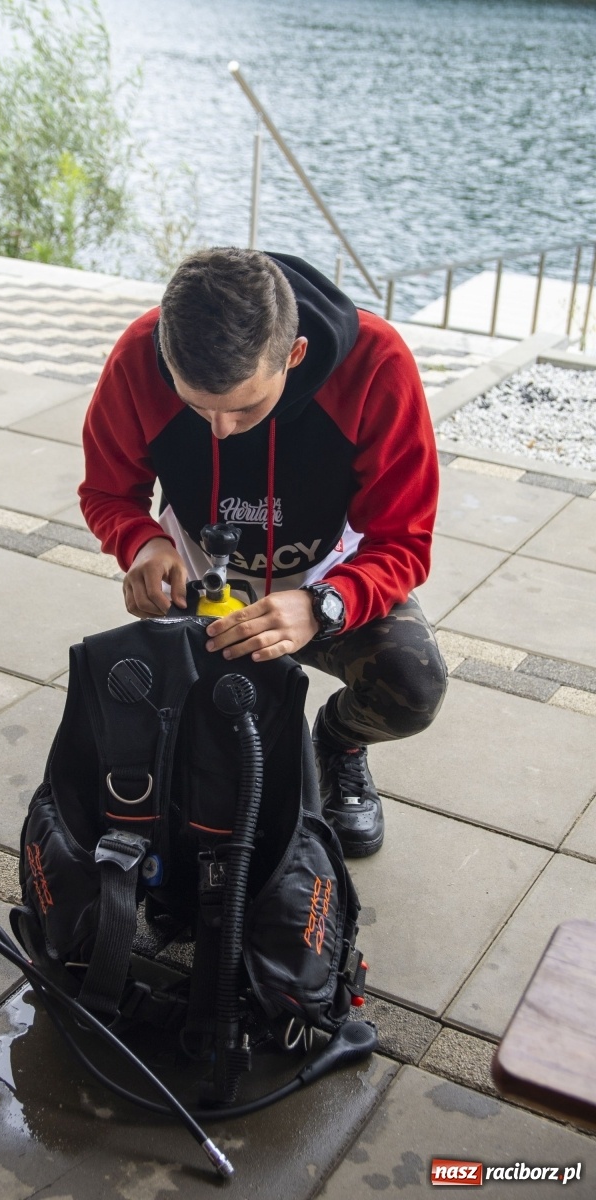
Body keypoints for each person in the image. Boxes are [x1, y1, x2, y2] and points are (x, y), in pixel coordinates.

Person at [79, 248, 447, 857]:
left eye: (246, 406)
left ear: (294, 355)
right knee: (182, 771)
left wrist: (323, 605)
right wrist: (141, 542)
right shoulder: (139, 353)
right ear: (165, 353)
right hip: (203, 595)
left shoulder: (376, 364)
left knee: (413, 686)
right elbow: (106, 490)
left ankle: (339, 743)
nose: (221, 429)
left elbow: (403, 540)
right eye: (197, 406)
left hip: (327, 582)